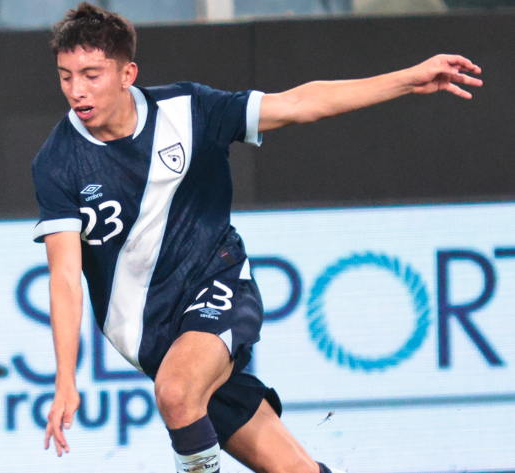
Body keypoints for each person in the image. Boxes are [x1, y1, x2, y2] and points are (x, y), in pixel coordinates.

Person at [31, 3, 481, 473]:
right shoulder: (57, 162)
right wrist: (66, 379)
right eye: (65, 77)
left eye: (91, 74)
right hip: (151, 338)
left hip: (216, 283)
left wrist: (409, 79)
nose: (76, 91)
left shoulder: (190, 110)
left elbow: (300, 104)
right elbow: (65, 277)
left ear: (128, 74)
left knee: (176, 393)